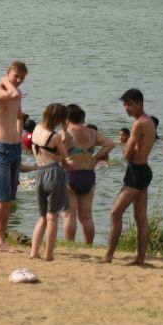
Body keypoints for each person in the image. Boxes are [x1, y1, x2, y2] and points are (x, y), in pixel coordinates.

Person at [101, 88, 154, 266]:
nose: (127, 108)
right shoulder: (149, 121)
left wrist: (129, 153)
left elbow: (125, 153)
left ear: (140, 104)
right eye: (125, 104)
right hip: (143, 170)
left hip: (137, 172)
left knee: (115, 213)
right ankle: (140, 259)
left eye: (130, 104)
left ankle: (108, 256)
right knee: (140, 217)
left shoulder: (139, 123)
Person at [0, 60, 27, 254]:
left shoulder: (16, 93)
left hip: (14, 147)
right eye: (16, 76)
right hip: (0, 148)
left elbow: (19, 115)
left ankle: (1, 241)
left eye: (22, 78)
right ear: (8, 74)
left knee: (9, 199)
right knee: (1, 199)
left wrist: (19, 137)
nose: (18, 81)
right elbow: (12, 94)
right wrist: (5, 81)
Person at [62, 105, 116, 246]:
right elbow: (110, 144)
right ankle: (88, 246)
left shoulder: (66, 132)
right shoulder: (92, 133)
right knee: (87, 217)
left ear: (67, 118)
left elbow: (58, 152)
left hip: (70, 175)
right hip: (88, 176)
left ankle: (70, 245)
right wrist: (96, 158)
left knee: (69, 215)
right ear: (82, 117)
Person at [27, 103, 72, 262]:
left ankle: (34, 252)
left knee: (42, 217)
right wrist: (65, 131)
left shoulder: (36, 130)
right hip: (53, 174)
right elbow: (64, 154)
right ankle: (49, 254)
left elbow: (40, 151)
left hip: (40, 172)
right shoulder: (55, 136)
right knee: (52, 217)